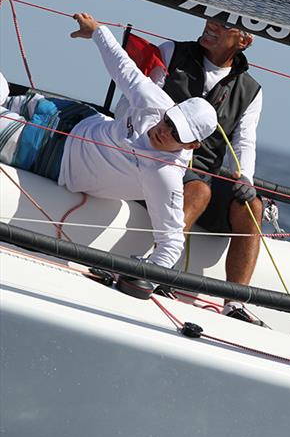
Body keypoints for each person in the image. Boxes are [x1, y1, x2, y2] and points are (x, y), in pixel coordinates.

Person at [0, 13, 217, 270]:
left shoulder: (164, 175)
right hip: (68, 114)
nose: (164, 130)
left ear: (192, 146)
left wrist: (144, 277)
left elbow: (171, 242)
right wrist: (97, 31)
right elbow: (124, 69)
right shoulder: (157, 105)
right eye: (170, 121)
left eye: (177, 134)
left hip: (45, 151)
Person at [117, 18, 263, 319]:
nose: (211, 25)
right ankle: (158, 269)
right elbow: (136, 100)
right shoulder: (171, 52)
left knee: (251, 206)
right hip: (153, 157)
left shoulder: (251, 90)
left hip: (200, 175)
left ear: (244, 41)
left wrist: (245, 178)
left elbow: (245, 141)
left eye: (224, 24)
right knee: (199, 188)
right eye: (213, 18)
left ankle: (234, 303)